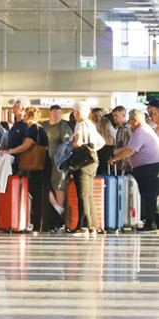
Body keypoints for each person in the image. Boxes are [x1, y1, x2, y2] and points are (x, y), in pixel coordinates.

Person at [110, 109, 159, 233]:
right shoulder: (143, 130)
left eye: (130, 120)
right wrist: (127, 162)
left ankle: (151, 223)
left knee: (148, 196)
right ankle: (151, 222)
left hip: (148, 169)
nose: (129, 123)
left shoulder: (141, 131)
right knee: (148, 196)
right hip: (147, 168)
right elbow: (131, 149)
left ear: (135, 120)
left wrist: (115, 158)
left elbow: (130, 151)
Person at [1, 106, 49, 231]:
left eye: (26, 115)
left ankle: (39, 224)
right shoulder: (39, 128)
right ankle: (42, 223)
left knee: (37, 194)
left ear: (31, 117)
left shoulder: (33, 128)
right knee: (40, 194)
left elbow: (26, 146)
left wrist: (9, 151)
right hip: (43, 164)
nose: (24, 117)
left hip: (38, 165)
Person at [69, 101, 105, 236]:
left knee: (82, 194)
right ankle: (92, 225)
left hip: (82, 162)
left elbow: (77, 142)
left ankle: (83, 226)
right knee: (89, 194)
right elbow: (102, 141)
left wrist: (71, 146)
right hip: (93, 161)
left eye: (74, 111)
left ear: (77, 112)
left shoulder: (80, 124)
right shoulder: (90, 124)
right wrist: (92, 149)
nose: (73, 114)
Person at [41, 105, 73, 219]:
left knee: (59, 187)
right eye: (54, 113)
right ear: (50, 113)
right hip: (45, 160)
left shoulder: (64, 126)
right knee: (45, 184)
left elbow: (68, 144)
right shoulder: (43, 125)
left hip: (59, 162)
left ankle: (59, 212)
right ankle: (56, 208)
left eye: (59, 113)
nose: (57, 115)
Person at [4, 97, 30, 172]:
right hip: (10, 161)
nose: (13, 108)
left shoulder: (26, 125)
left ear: (22, 109)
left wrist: (10, 151)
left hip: (19, 164)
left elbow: (25, 145)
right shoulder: (15, 124)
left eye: (15, 106)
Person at [112, 106, 132, 173]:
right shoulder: (119, 129)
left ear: (123, 115)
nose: (114, 118)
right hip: (119, 164)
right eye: (113, 116)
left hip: (127, 165)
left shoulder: (128, 128)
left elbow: (132, 147)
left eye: (116, 115)